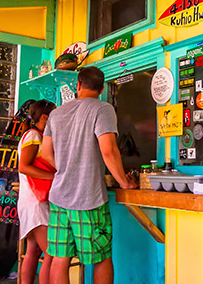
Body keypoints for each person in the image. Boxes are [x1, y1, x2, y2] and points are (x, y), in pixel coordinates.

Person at [40, 66, 138, 284]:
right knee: (101, 258)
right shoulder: (103, 109)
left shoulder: (56, 114)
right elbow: (109, 150)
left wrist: (67, 167)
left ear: (78, 85)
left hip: (59, 199)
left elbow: (46, 153)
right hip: (88, 199)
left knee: (60, 257)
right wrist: (124, 182)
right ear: (102, 88)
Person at [17, 100, 57, 284]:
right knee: (52, 253)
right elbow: (24, 167)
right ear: (45, 117)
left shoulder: (36, 135)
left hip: (31, 200)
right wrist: (53, 176)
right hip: (36, 202)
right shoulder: (34, 135)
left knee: (33, 250)